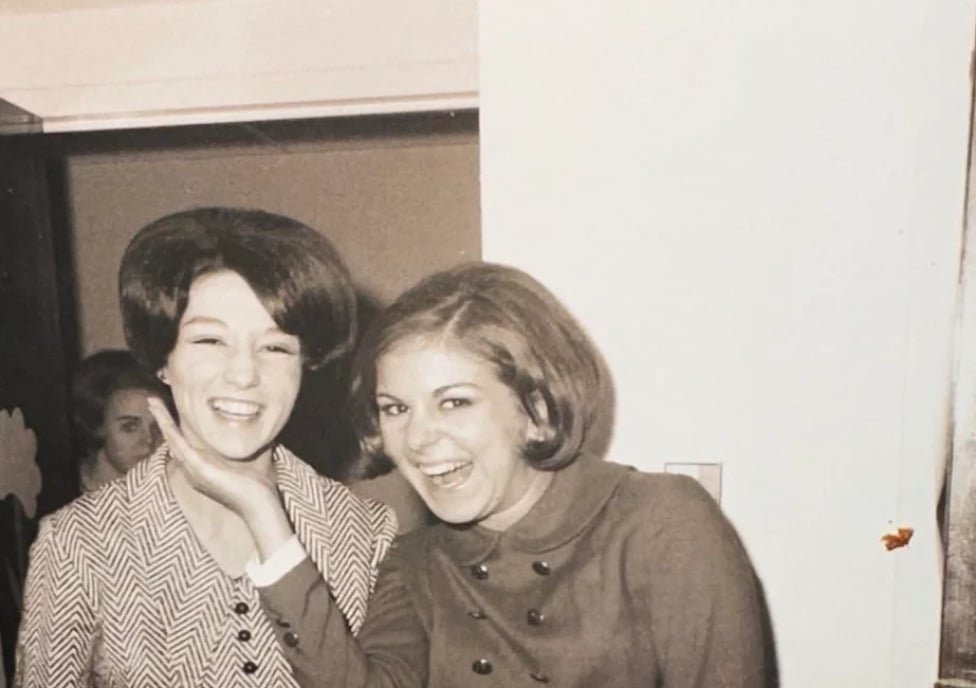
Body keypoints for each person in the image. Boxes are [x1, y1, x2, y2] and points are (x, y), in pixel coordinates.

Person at [153, 261, 768, 687]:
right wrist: (265, 513)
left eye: (454, 402)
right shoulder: (416, 561)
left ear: (536, 409)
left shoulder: (659, 521)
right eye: (396, 409)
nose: (418, 439)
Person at [14, 207, 397, 687]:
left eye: (275, 347)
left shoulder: (366, 534)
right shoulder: (79, 542)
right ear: (163, 363)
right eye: (211, 340)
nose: (243, 374)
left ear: (305, 368)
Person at [71, 348, 169, 492]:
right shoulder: (68, 492)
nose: (149, 441)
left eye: (158, 428)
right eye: (130, 427)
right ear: (98, 426)